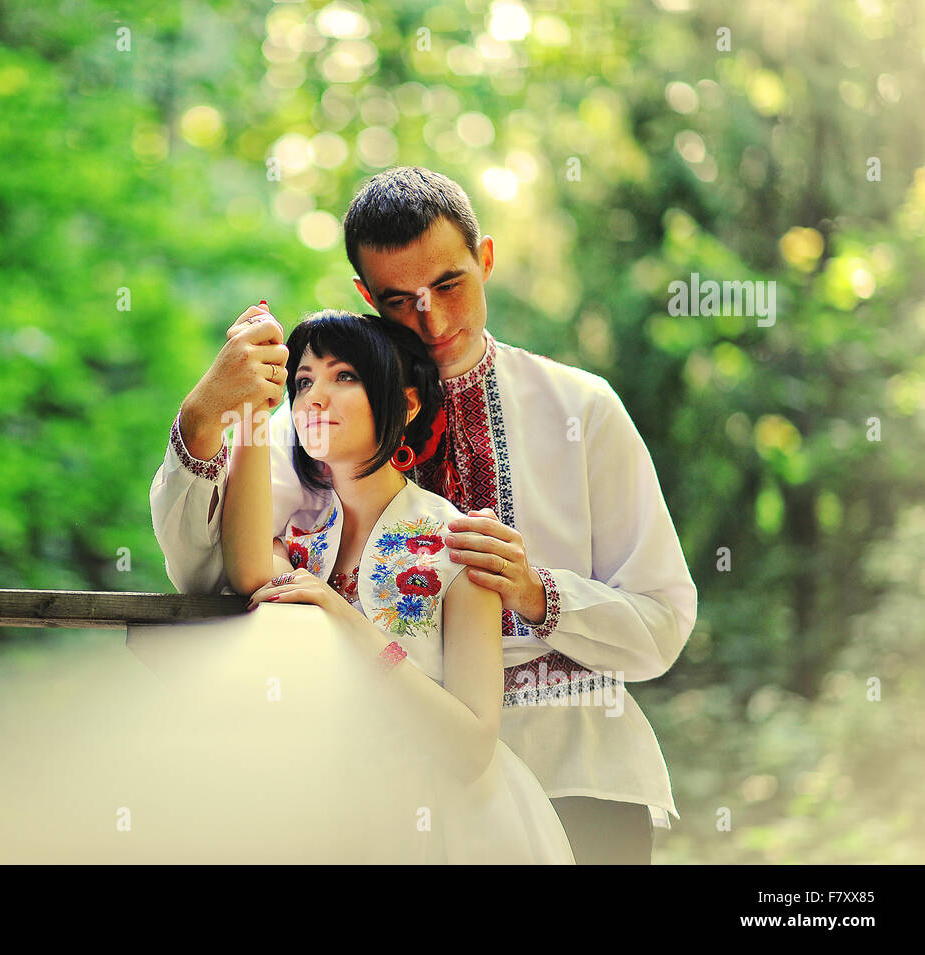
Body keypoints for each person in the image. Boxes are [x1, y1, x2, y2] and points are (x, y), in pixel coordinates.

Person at [149, 166, 698, 864]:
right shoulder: (309, 424)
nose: (430, 318)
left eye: (448, 285)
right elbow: (210, 573)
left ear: (486, 258)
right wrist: (204, 420)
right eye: (398, 300)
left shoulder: (581, 410)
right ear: (364, 295)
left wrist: (537, 593)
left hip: (577, 778)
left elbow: (663, 622)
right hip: (380, 796)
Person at [221, 306, 574, 864]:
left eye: (345, 376)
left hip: (452, 829)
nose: (314, 398)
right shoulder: (302, 537)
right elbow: (246, 571)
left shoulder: (459, 544)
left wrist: (345, 619)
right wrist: (247, 407)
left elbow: (471, 748)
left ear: (407, 403)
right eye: (304, 381)